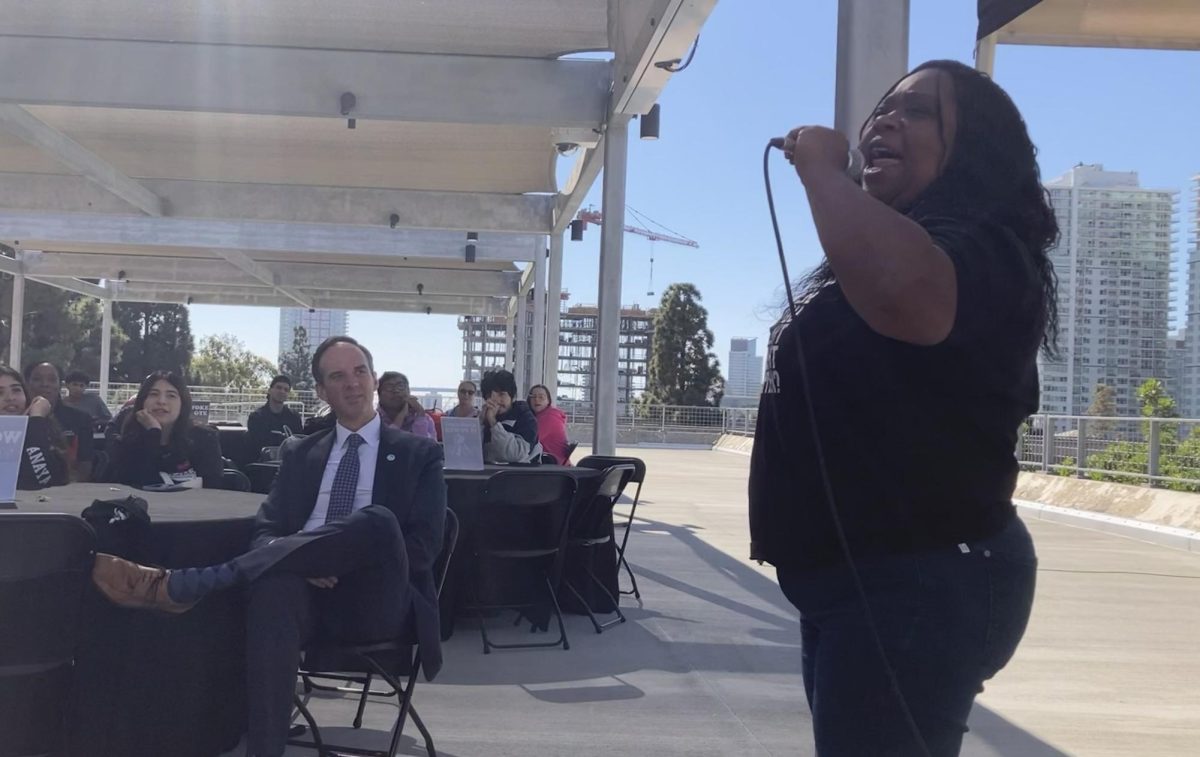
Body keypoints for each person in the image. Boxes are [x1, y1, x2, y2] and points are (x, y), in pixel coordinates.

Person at [750, 60, 1055, 756]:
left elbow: (908, 295)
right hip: (859, 583)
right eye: (882, 107)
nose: (884, 119)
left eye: (917, 111)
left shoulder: (986, 247)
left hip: (915, 581)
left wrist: (824, 175)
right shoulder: (892, 245)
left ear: (971, 146)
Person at [90, 336, 447, 757]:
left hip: (375, 602)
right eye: (337, 376)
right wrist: (305, 559)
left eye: (360, 372)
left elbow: (422, 548)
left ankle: (184, 586)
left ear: (373, 379)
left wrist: (329, 554)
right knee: (273, 591)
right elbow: (267, 528)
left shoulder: (418, 453)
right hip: (303, 594)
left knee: (378, 520)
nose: (352, 383)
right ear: (321, 392)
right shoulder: (300, 451)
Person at [108, 371, 224, 489]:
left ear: (183, 403)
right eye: (153, 394)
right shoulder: (126, 442)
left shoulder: (204, 438)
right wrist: (153, 434)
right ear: (142, 401)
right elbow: (137, 484)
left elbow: (214, 489)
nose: (161, 401)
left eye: (171, 395)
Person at [0, 366, 68, 490]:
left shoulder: (39, 428)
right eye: (0, 392)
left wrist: (36, 420)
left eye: (16, 390)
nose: (10, 398)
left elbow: (46, 479)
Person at [24, 362, 95, 481]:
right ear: (26, 383)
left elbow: (85, 463)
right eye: (37, 379)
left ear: (60, 385)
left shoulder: (81, 419)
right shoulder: (17, 418)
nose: (45, 384)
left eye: (52, 380)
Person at [479, 369, 541, 463]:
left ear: (512, 396)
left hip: (521, 474)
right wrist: (479, 425)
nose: (496, 401)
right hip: (487, 475)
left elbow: (515, 455)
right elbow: (468, 453)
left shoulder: (526, 418)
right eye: (490, 395)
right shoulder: (482, 417)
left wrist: (493, 423)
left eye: (502, 394)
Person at [247, 374, 304, 459]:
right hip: (263, 465)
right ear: (270, 390)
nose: (282, 391)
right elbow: (255, 448)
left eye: (286, 390)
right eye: (278, 387)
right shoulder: (256, 417)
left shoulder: (294, 417)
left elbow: (299, 444)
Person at [377, 371, 436, 440]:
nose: (396, 390)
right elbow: (385, 443)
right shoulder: (373, 419)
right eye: (389, 387)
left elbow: (426, 447)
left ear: (408, 391)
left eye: (400, 386)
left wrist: (420, 414)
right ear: (379, 395)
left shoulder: (424, 418)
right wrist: (400, 417)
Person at [527, 384, 572, 465]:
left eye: (541, 397)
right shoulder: (540, 416)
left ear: (548, 401)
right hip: (550, 465)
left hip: (553, 468)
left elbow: (529, 442)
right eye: (533, 397)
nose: (536, 399)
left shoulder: (549, 417)